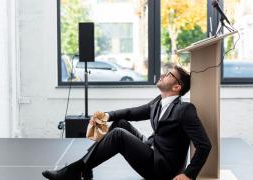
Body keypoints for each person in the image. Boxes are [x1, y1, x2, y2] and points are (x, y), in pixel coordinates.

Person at [42, 66, 212, 180]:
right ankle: (85, 167)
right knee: (121, 123)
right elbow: (133, 113)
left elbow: (204, 145)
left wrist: (189, 174)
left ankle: (74, 170)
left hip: (162, 169)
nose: (162, 74)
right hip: (152, 147)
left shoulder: (185, 110)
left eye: (169, 74)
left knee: (118, 135)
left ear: (177, 87)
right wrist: (107, 115)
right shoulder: (158, 102)